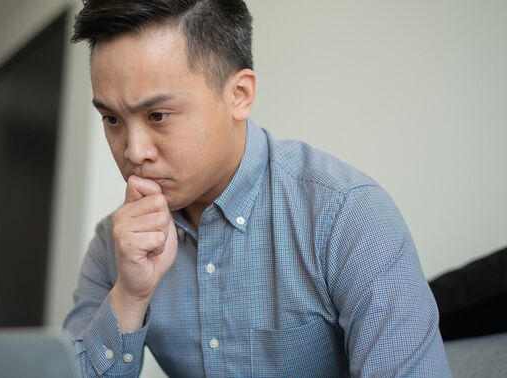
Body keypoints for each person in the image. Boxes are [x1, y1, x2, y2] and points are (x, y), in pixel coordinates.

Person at [64, 0, 452, 376]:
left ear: (239, 95)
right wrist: (129, 298)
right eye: (112, 119)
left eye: (158, 115)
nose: (134, 151)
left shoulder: (348, 217)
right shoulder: (114, 247)